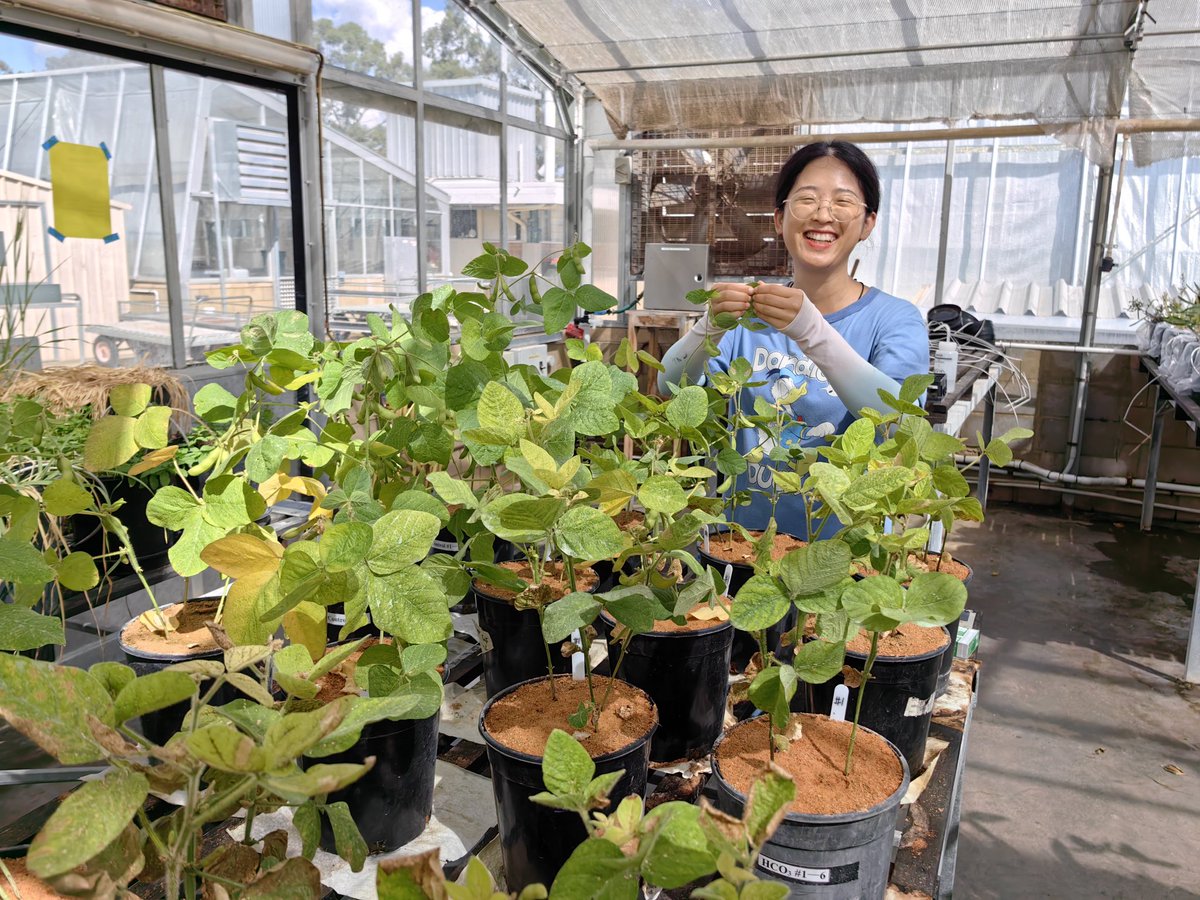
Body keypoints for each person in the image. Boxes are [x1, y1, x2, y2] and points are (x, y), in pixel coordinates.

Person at [658, 140, 929, 538]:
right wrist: (707, 328)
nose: (823, 215)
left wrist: (812, 331)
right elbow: (669, 389)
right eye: (806, 200)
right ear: (778, 218)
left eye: (843, 202)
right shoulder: (749, 317)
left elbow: (901, 422)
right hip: (739, 546)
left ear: (868, 222)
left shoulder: (893, 318)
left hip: (842, 554)